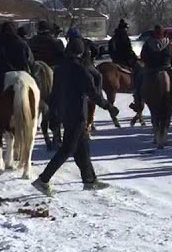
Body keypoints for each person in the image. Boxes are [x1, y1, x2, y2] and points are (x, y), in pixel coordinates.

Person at [31, 36, 120, 196]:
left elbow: (55, 93)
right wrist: (109, 106)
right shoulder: (81, 70)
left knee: (82, 147)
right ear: (81, 52)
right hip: (77, 114)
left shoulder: (59, 69)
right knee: (67, 149)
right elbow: (93, 93)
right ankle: (43, 180)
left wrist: (54, 113)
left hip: (65, 113)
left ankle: (89, 180)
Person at [133, 24, 172, 112]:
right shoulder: (168, 43)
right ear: (163, 33)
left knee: (139, 79)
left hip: (151, 69)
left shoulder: (148, 43)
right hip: (166, 68)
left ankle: (138, 101)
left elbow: (143, 56)